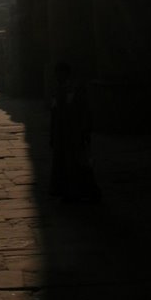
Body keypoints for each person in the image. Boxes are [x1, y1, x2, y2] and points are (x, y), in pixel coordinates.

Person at [49, 60, 101, 202]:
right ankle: (67, 190)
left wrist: (85, 129)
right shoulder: (58, 90)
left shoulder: (75, 90)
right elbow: (54, 112)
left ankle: (84, 190)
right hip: (62, 132)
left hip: (74, 131)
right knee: (64, 163)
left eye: (60, 74)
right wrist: (53, 133)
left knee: (79, 161)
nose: (58, 77)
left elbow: (84, 110)